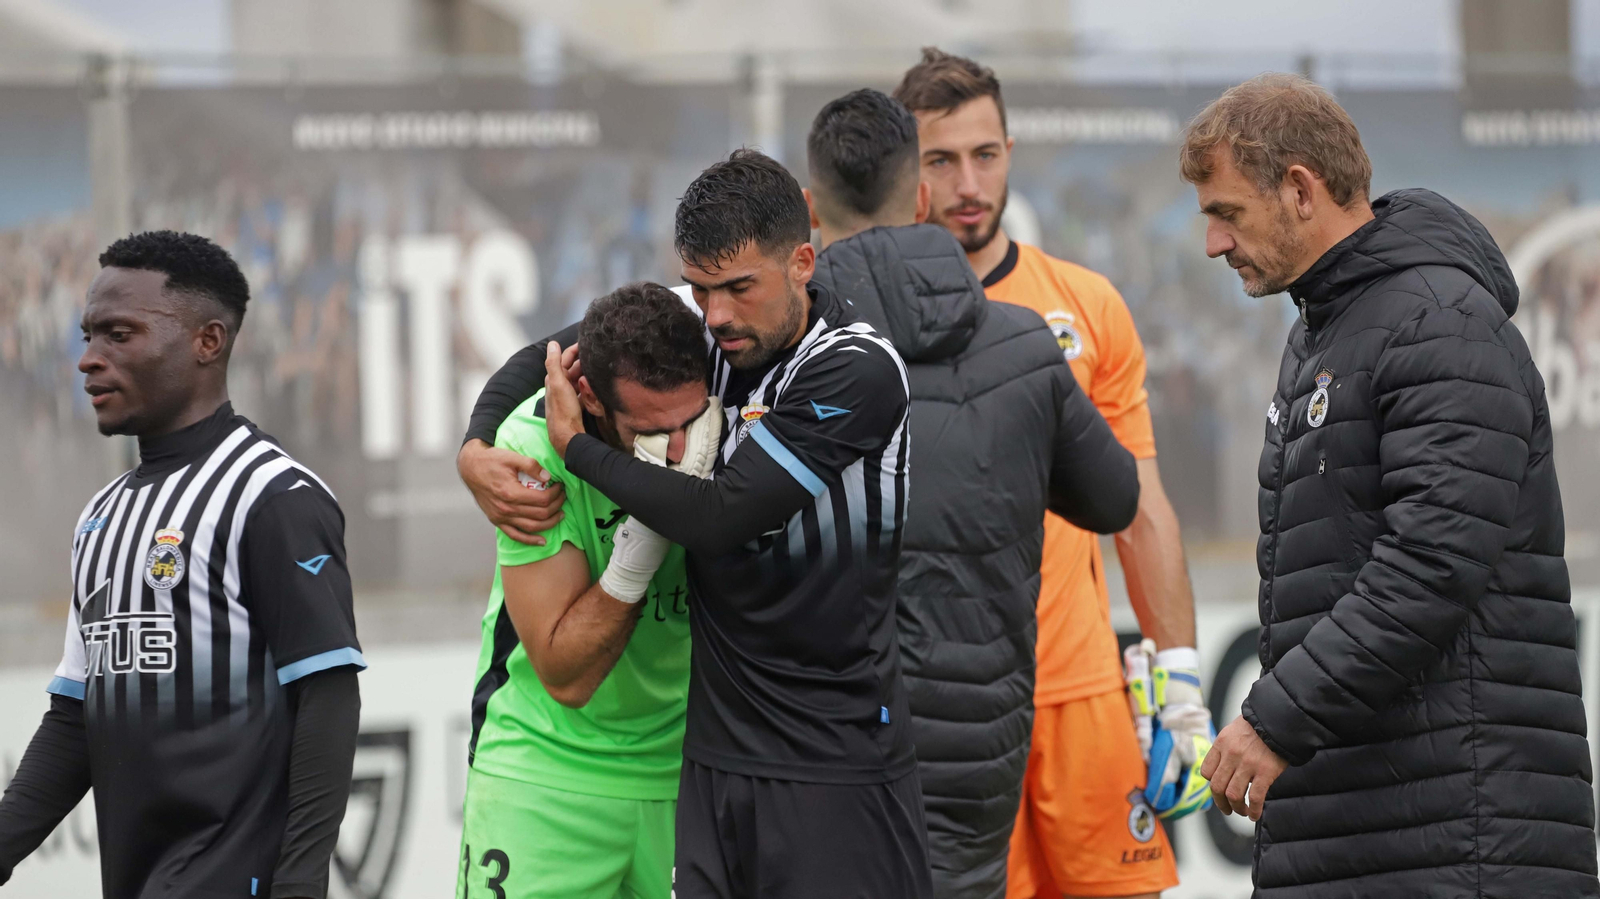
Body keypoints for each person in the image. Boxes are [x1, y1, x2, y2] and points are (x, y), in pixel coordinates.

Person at [466, 149, 933, 898]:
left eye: (740, 287)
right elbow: (549, 354)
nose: (715, 315)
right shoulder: (708, 330)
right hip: (711, 765)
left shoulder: (857, 368)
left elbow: (719, 518)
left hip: (835, 758)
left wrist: (578, 449)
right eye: (701, 288)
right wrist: (475, 446)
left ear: (802, 262)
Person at [1182, 73, 1599, 898]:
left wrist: (1274, 719)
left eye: (1226, 212)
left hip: (1462, 839)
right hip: (1369, 826)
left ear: (1300, 189)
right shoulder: (1326, 332)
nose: (1213, 243)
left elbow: (1431, 563)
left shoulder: (1440, 321)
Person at [801, 87, 1140, 899]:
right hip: (979, 753)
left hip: (822, 741)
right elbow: (1115, 499)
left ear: (810, 208)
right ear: (920, 197)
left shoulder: (776, 348)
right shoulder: (1026, 346)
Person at [894, 49, 1204, 899]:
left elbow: (1140, 506)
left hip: (1082, 694)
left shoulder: (1087, 304)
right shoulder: (866, 321)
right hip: (943, 709)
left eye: (985, 154)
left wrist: (1180, 679)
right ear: (904, 169)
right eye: (940, 159)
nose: (968, 184)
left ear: (1010, 152)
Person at [0, 231, 364, 899]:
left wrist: (300, 884)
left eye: (119, 334)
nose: (89, 359)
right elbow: (75, 719)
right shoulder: (100, 516)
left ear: (208, 341)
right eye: (88, 336)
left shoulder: (271, 495)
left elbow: (328, 696)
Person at [458, 282, 719, 899]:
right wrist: (652, 528)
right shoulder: (531, 447)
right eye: (651, 431)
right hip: (545, 774)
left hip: (690, 776)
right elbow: (567, 676)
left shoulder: (730, 356)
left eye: (691, 422)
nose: (680, 451)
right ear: (591, 401)